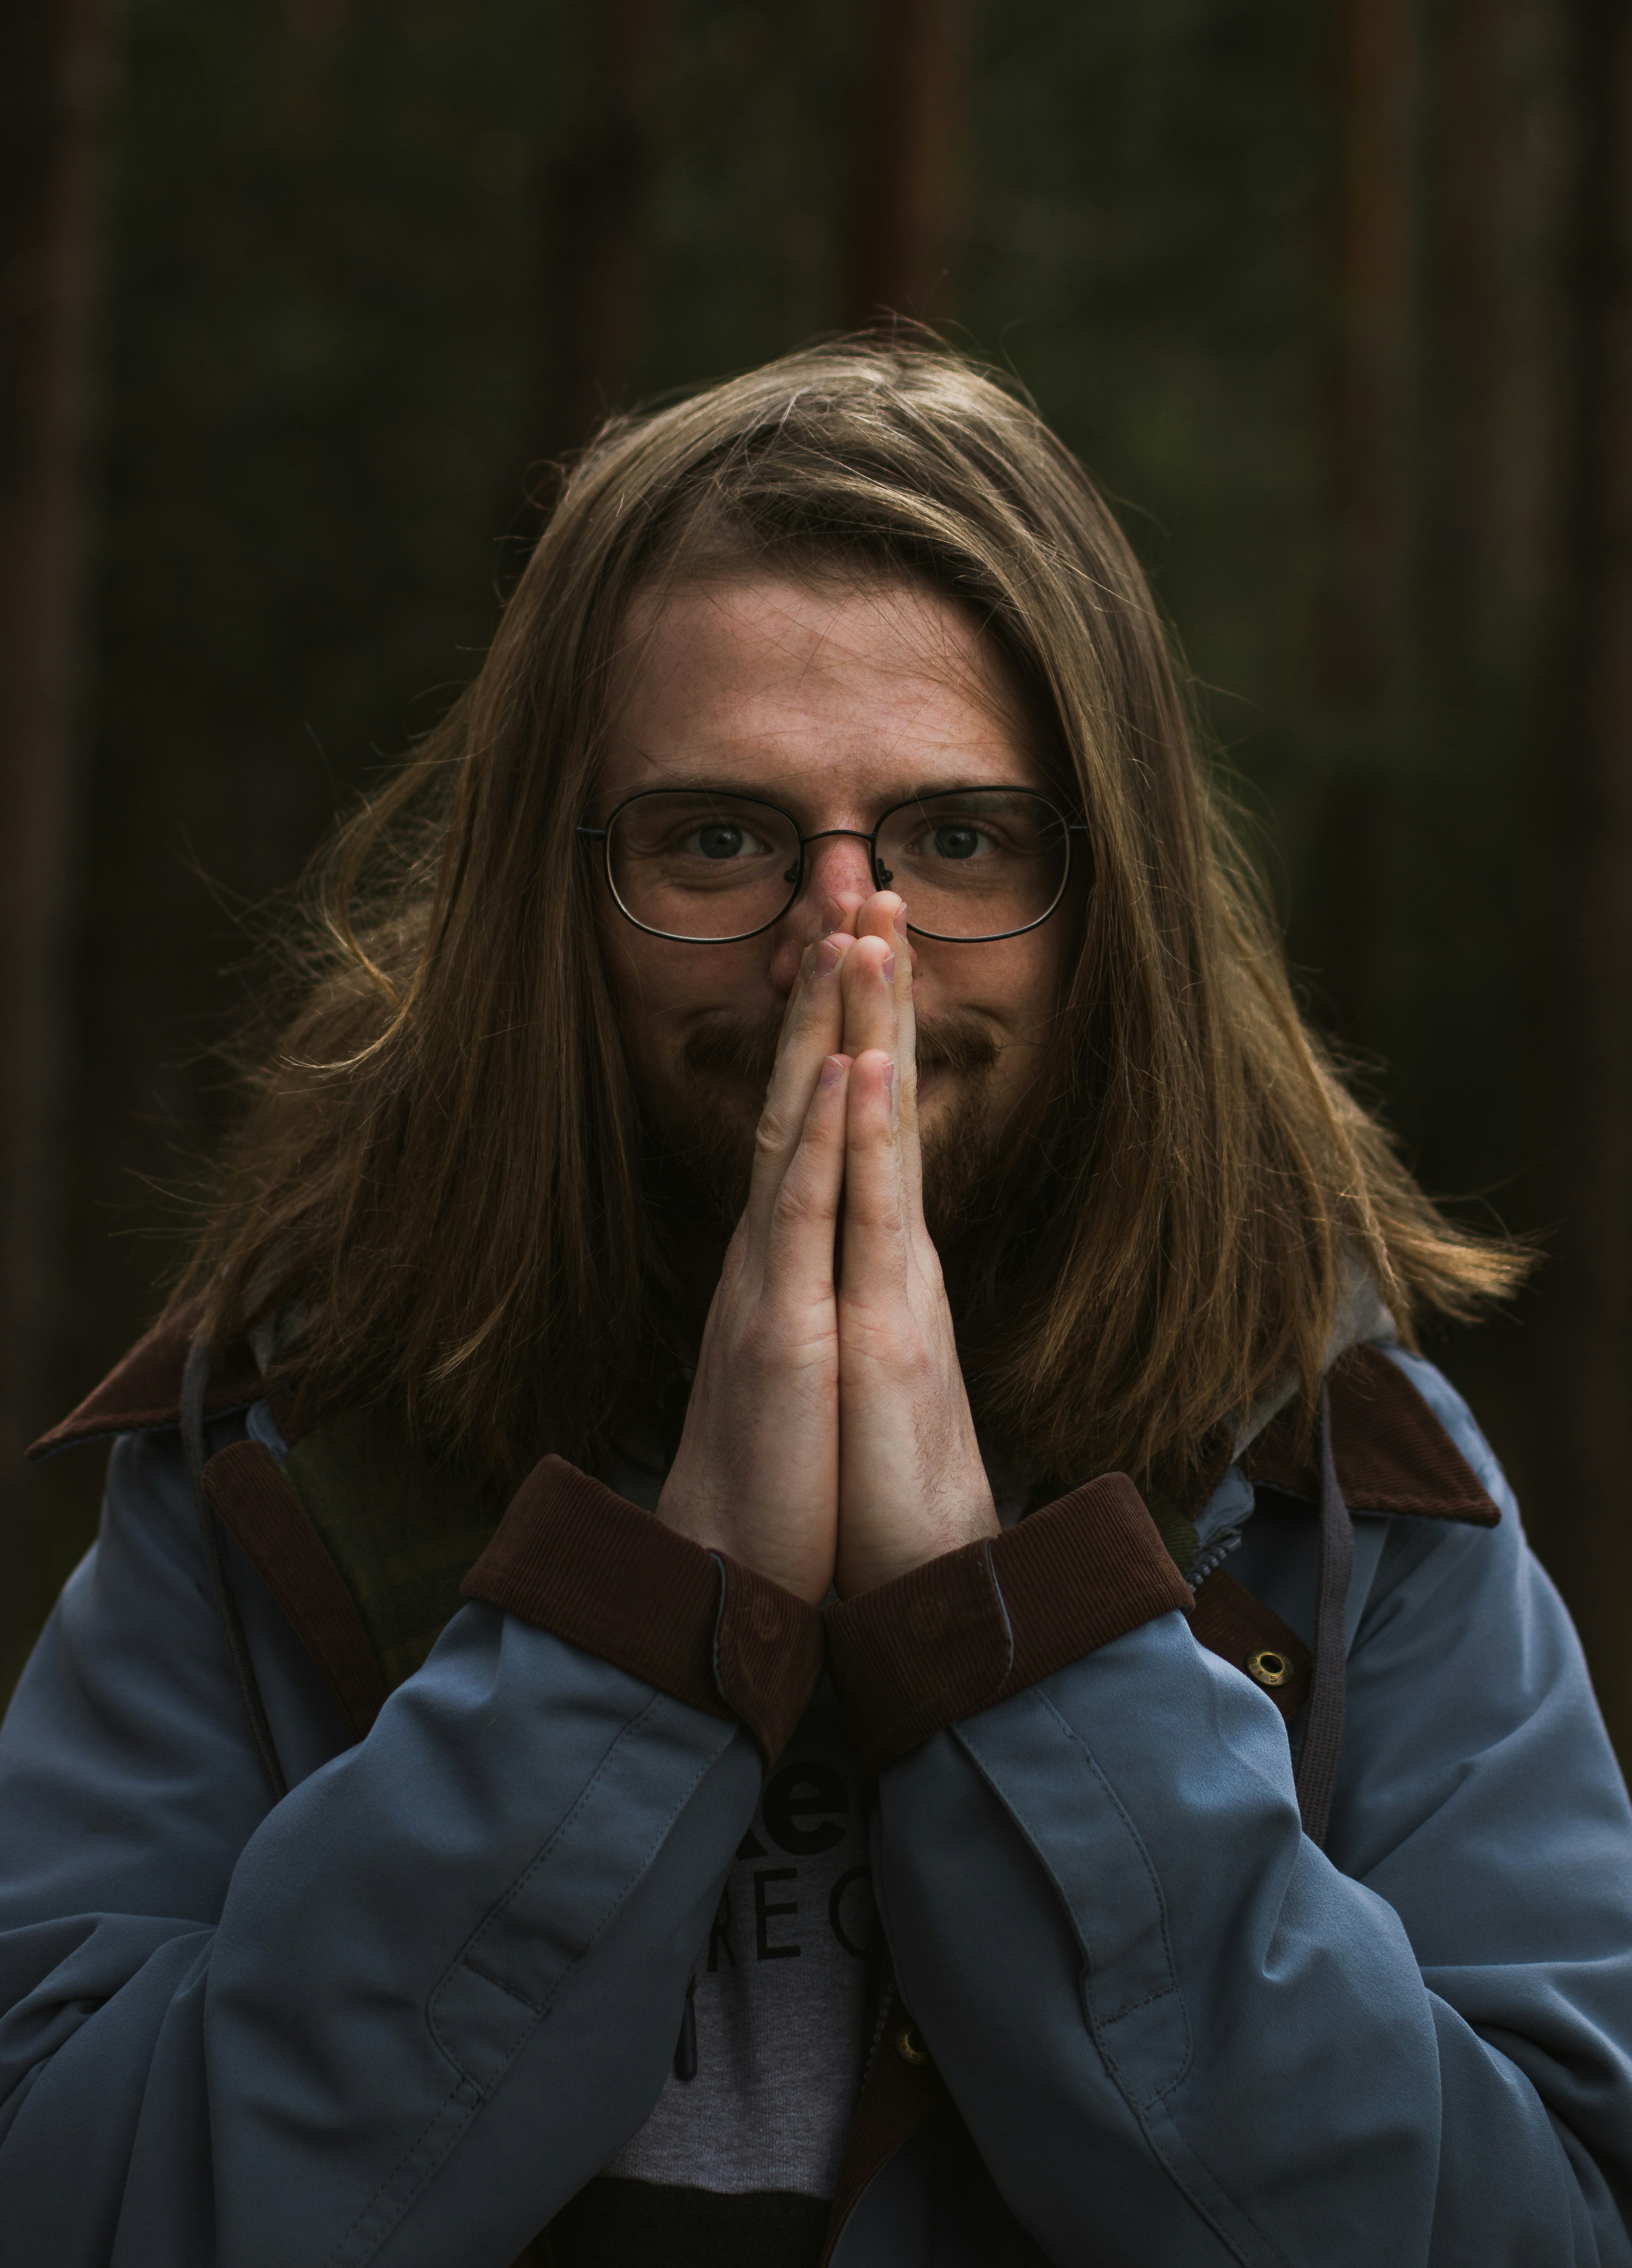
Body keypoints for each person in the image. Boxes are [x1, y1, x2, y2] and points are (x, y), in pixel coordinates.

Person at [3, 339, 1630, 2268]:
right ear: (555, 893)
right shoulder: (272, 1457)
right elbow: (80, 2204)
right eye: (717, 837)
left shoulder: (1342, 1484)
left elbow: (1532, 2227)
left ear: (1106, 897)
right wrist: (641, 1632)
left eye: (954, 839)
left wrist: (1001, 1638)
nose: (835, 951)